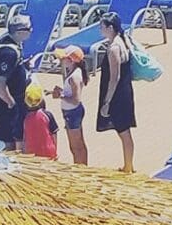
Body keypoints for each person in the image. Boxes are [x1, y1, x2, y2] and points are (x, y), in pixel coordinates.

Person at [95, 10, 137, 172]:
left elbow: (114, 77)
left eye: (102, 27)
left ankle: (128, 166)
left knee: (123, 132)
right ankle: (128, 164)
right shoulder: (124, 41)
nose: (100, 29)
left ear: (110, 28)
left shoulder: (114, 48)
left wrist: (107, 102)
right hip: (125, 92)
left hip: (118, 95)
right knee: (124, 131)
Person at [0, 11, 32, 150]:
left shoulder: (11, 43)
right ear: (19, 32)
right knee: (7, 139)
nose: (31, 31)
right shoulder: (9, 52)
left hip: (11, 100)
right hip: (7, 104)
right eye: (28, 28)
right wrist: (11, 103)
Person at [53, 45, 89, 165]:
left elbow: (76, 100)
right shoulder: (73, 73)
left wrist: (61, 96)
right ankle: (81, 166)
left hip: (72, 113)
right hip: (71, 112)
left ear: (71, 60)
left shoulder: (74, 77)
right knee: (76, 144)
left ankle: (81, 168)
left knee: (76, 146)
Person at [21, 81, 60, 160]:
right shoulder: (47, 115)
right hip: (48, 152)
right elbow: (54, 134)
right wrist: (55, 150)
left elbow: (24, 138)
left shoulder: (25, 117)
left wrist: (24, 153)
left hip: (31, 154)